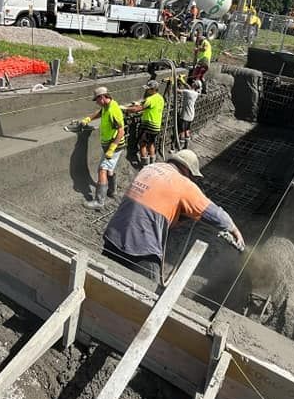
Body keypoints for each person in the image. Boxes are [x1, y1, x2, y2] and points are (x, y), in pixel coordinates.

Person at [103, 150, 244, 283]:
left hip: (113, 236)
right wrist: (234, 229)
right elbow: (215, 214)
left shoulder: (149, 168)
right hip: (142, 249)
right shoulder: (184, 184)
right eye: (193, 178)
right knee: (146, 295)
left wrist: (181, 217)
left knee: (104, 281)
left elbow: (154, 210)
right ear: (187, 171)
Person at [79, 86, 125, 209]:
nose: (97, 103)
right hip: (109, 145)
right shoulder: (106, 107)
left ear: (103, 97)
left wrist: (112, 148)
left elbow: (121, 131)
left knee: (102, 169)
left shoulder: (113, 111)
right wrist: (88, 119)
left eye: (97, 100)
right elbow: (100, 113)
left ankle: (99, 202)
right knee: (109, 169)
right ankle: (112, 191)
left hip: (114, 146)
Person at [127, 79, 165, 167]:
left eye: (148, 89)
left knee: (142, 144)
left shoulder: (150, 99)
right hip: (156, 126)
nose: (146, 90)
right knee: (151, 143)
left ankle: (145, 165)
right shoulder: (160, 98)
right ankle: (152, 162)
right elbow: (148, 106)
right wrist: (138, 103)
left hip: (148, 126)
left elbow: (137, 109)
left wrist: (125, 108)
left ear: (153, 89)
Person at [177, 79, 200, 149]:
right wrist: (183, 82)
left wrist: (173, 82)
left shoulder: (188, 92)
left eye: (194, 82)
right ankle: (186, 145)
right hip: (191, 115)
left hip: (185, 115)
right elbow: (189, 88)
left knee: (182, 131)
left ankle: (180, 147)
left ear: (195, 85)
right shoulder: (196, 93)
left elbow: (177, 90)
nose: (192, 82)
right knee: (187, 130)